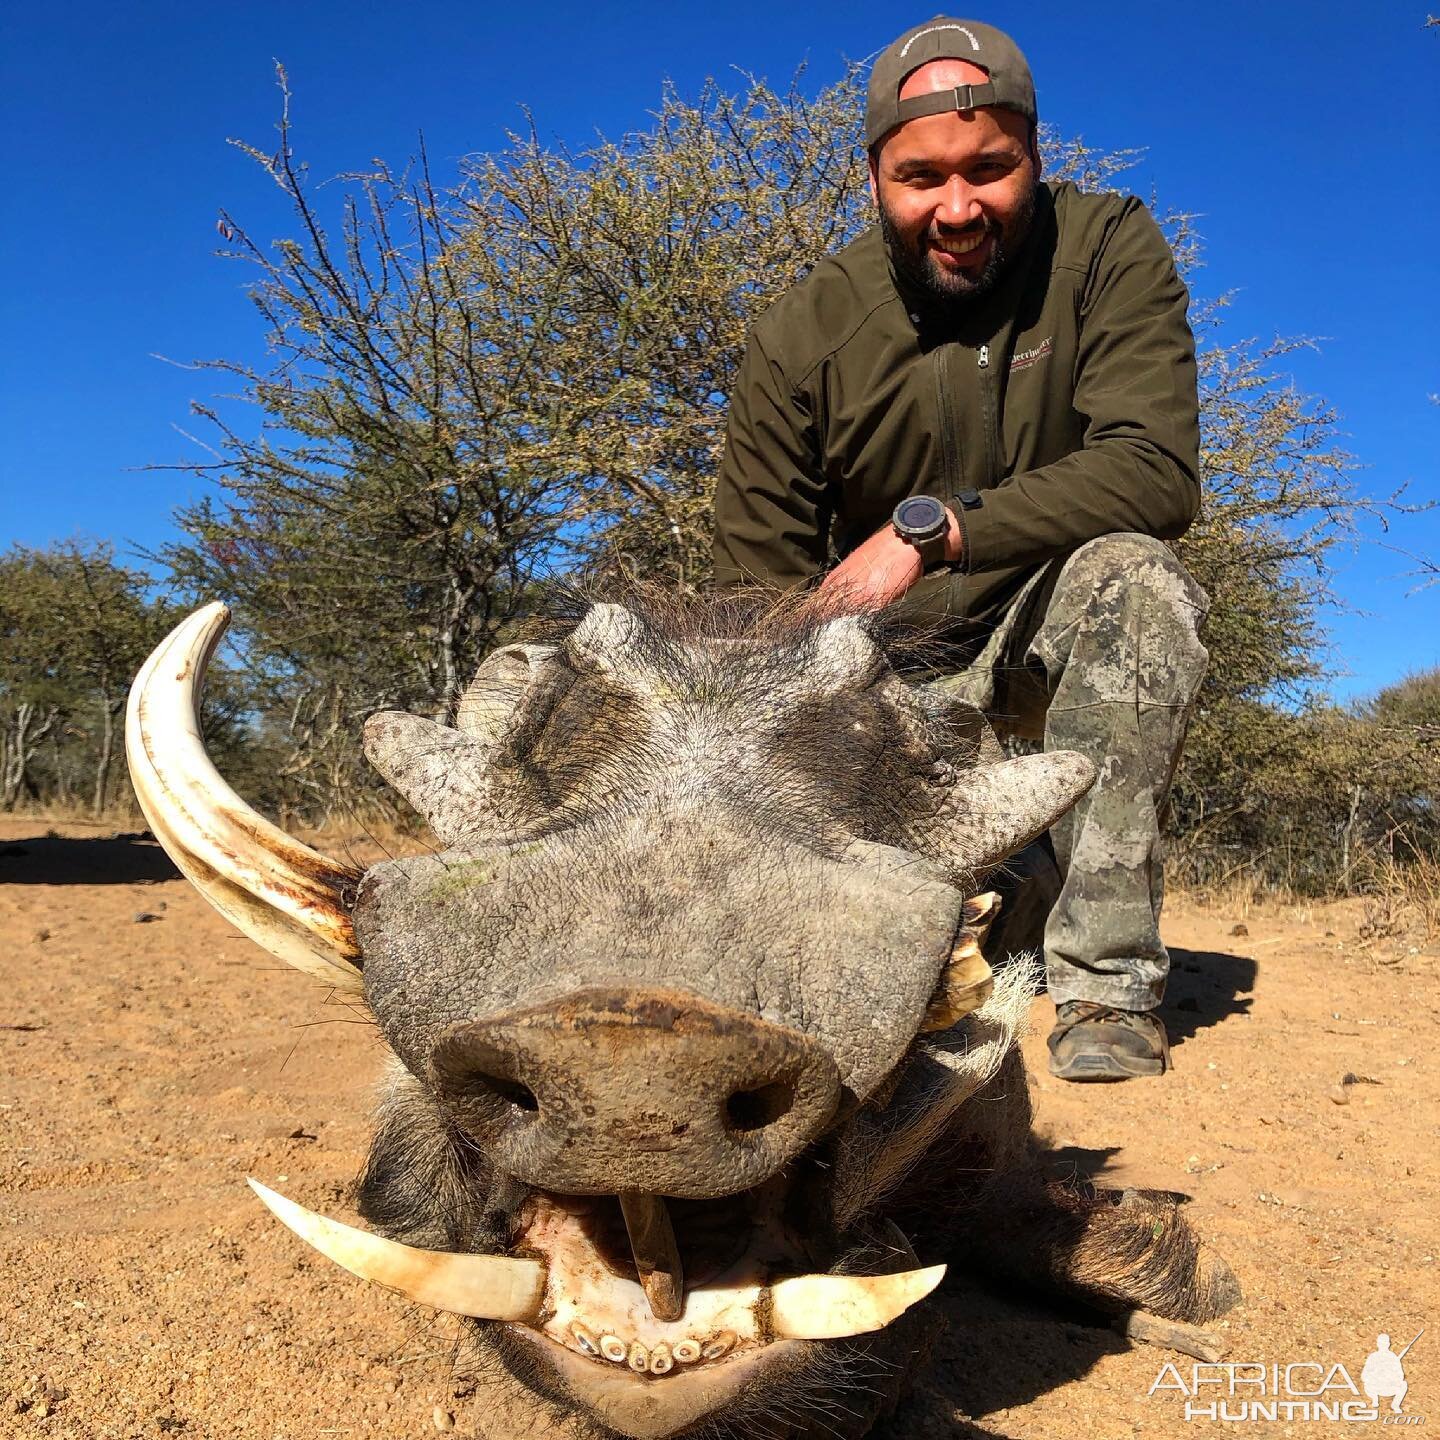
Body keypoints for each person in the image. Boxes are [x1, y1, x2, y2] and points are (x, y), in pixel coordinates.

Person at [711, 17, 1210, 1081]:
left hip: (1041, 645)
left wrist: (928, 535)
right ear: (874, 178)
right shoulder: (800, 332)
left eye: (991, 169)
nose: (958, 207)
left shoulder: (1107, 247)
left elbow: (1157, 471)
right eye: (921, 177)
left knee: (1137, 582)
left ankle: (1105, 988)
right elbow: (755, 598)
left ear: (1035, 154)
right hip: (890, 697)